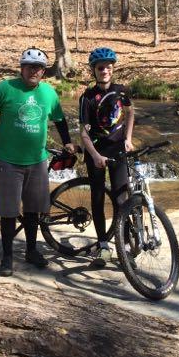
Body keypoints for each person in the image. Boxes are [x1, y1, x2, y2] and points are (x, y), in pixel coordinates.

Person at [0, 47, 75, 277]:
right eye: (30, 67)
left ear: (43, 72)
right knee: (9, 213)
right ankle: (7, 257)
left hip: (37, 161)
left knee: (33, 211)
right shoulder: (5, 88)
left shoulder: (49, 93)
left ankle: (31, 250)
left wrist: (68, 142)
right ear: (22, 68)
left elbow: (59, 120)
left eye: (39, 68)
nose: (34, 72)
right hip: (9, 161)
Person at [79, 47, 134, 267]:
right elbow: (83, 132)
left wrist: (128, 138)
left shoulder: (121, 91)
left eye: (108, 68)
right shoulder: (87, 97)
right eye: (101, 68)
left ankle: (126, 246)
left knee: (123, 199)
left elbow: (130, 112)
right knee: (98, 199)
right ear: (94, 70)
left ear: (113, 69)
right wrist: (94, 155)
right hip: (96, 153)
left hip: (118, 150)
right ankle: (103, 246)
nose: (105, 71)